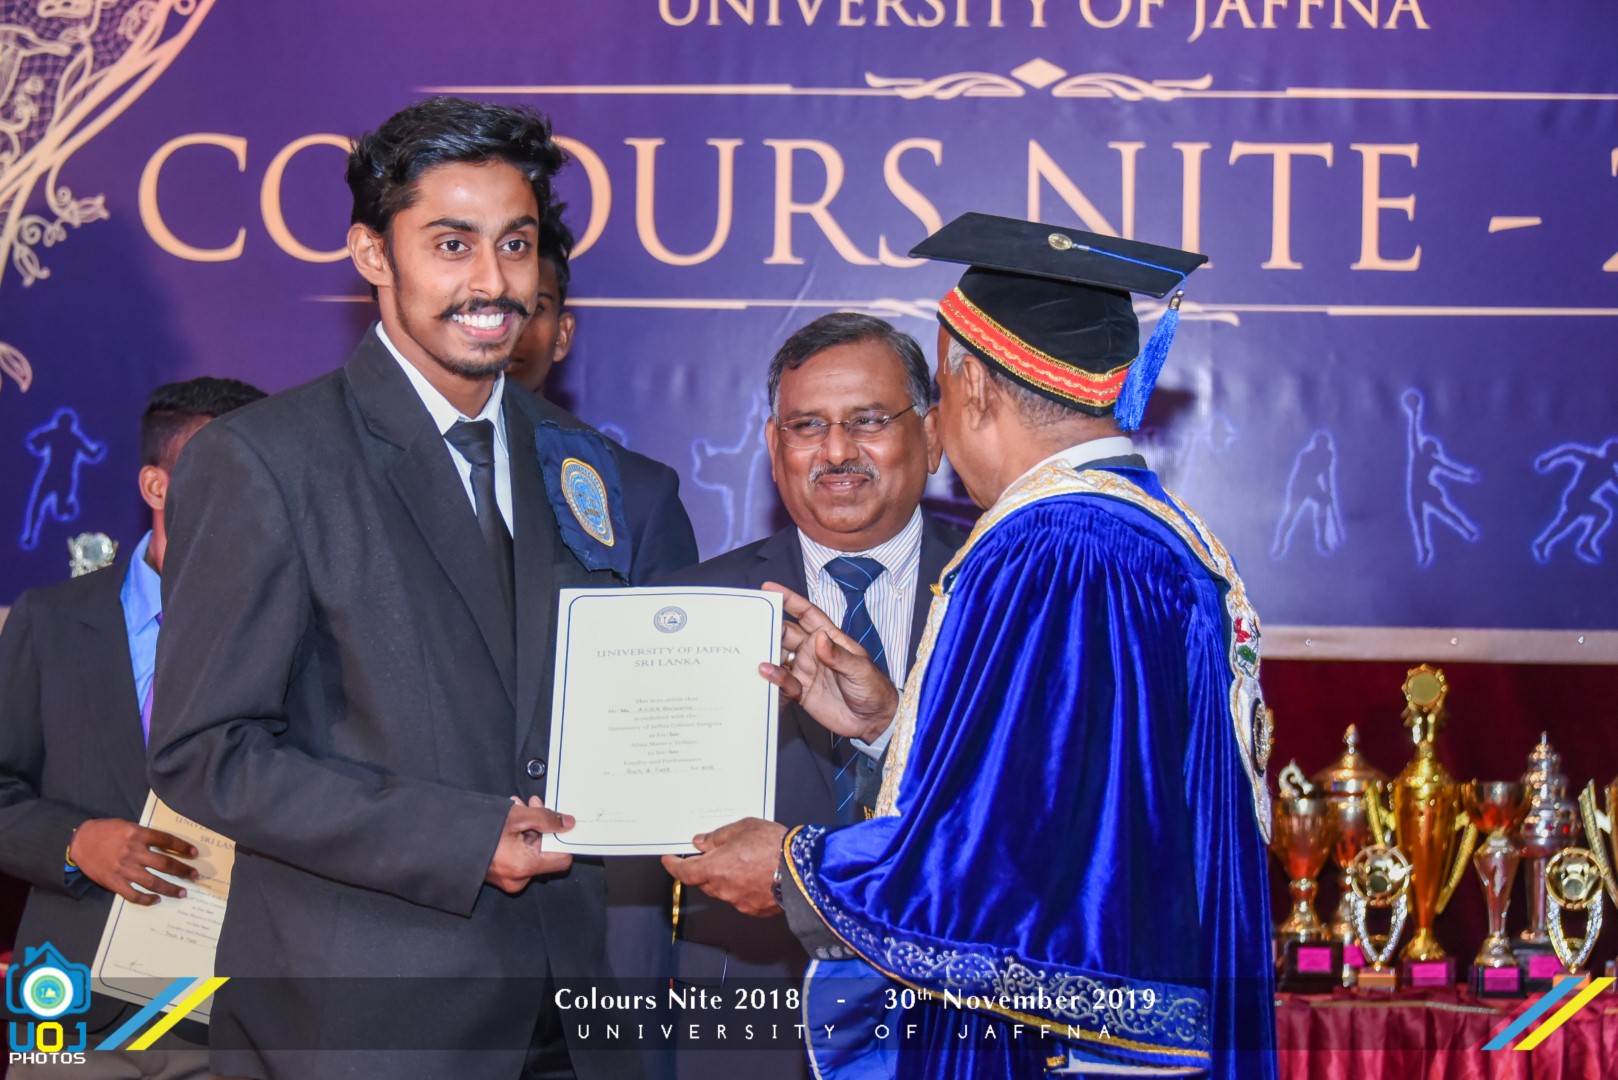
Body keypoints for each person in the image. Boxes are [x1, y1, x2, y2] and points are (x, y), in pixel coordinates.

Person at [665, 213, 1277, 1078]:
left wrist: (793, 869)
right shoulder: (1153, 535)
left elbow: (999, 858)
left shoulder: (1049, 547)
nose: (945, 430)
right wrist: (887, 724)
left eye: (943, 399)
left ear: (974, 386)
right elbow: (1064, 799)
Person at [146, 98, 643, 1080]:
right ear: (373, 253)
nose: (492, 282)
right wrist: (459, 838)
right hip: (365, 1027)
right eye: (452, 245)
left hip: (577, 1018)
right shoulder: (265, 461)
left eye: (516, 244)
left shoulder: (594, 466)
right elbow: (207, 753)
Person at [663, 313, 964, 1079]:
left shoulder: (1006, 594)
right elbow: (640, 876)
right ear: (774, 448)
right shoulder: (691, 608)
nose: (835, 452)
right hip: (748, 1031)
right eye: (807, 426)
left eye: (868, 421)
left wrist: (892, 728)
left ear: (932, 437)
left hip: (958, 1023)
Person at [0, 377, 266, 1080]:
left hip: (240, 1015)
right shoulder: (50, 621)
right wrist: (74, 842)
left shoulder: (304, 631)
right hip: (73, 1003)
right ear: (156, 485)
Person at [507, 200, 697, 584]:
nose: (507, 325)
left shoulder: (637, 494)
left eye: (533, 307)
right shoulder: (378, 461)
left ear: (562, 336)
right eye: (494, 305)